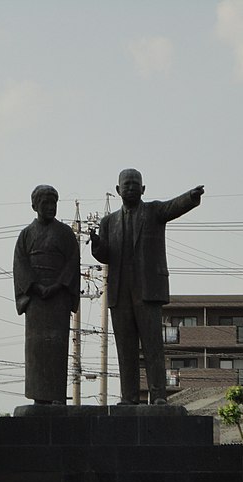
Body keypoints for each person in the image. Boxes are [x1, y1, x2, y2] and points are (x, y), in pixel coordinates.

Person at [90, 169, 203, 405]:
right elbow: (105, 256)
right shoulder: (108, 222)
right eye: (126, 184)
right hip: (120, 292)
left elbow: (174, 206)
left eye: (135, 184)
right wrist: (97, 246)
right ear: (118, 190)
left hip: (148, 290)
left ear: (143, 189)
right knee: (125, 349)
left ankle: (158, 395)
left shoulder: (153, 211)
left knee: (153, 347)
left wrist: (191, 197)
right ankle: (129, 397)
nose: (131, 187)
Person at [14, 184, 80, 405]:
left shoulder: (65, 234)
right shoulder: (26, 235)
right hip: (35, 300)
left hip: (58, 298)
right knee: (37, 349)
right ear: (35, 206)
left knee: (57, 347)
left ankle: (56, 396)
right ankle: (38, 397)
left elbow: (73, 262)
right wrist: (35, 287)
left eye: (54, 203)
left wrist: (59, 285)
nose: (51, 207)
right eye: (46, 203)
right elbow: (20, 264)